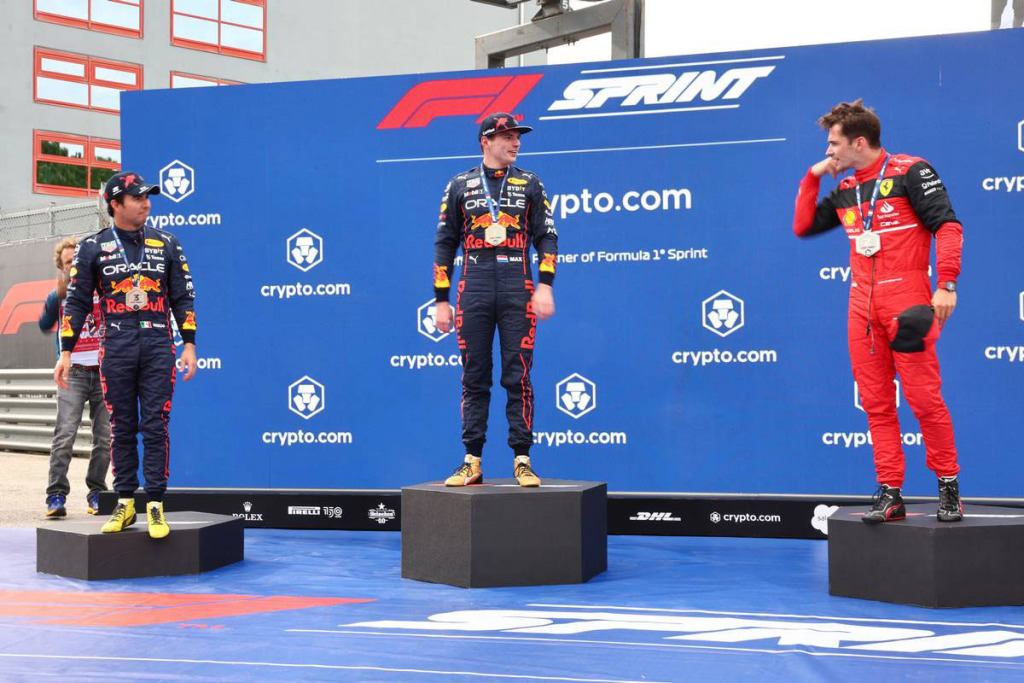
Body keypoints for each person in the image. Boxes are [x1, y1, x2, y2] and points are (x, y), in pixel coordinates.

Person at [793, 99, 964, 524]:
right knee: (876, 405)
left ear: (859, 142)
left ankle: (948, 487)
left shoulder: (911, 171)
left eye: (833, 144)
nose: (828, 151)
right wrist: (812, 176)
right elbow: (803, 225)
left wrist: (946, 283)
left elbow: (947, 226)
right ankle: (890, 493)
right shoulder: (848, 188)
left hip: (909, 304)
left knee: (924, 400)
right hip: (862, 309)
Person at [56, 171, 198, 539]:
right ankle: (124, 502)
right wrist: (66, 351)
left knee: (155, 424)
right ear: (115, 204)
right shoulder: (92, 247)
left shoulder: (167, 243)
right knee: (120, 427)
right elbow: (77, 302)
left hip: (157, 345)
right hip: (116, 346)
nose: (146, 203)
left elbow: (183, 297)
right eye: (137, 198)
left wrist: (189, 343)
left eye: (148, 197)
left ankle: (156, 505)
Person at [433, 112, 558, 487]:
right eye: (508, 137)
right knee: (474, 376)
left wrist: (545, 285)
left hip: (517, 282)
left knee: (518, 376)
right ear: (486, 141)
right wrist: (440, 299)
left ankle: (523, 459)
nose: (516, 142)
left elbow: (547, 237)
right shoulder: (460, 184)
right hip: (473, 284)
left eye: (518, 137)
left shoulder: (530, 182)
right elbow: (445, 243)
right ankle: (471, 460)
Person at [39, 237, 110, 518]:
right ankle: (56, 495)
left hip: (104, 372)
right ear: (61, 266)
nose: (74, 266)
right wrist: (53, 303)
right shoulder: (58, 295)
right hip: (74, 372)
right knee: (65, 435)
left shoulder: (104, 288)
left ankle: (98, 493)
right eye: (69, 262)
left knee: (104, 438)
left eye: (77, 260)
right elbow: (45, 324)